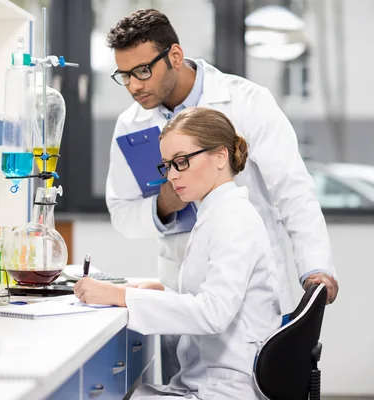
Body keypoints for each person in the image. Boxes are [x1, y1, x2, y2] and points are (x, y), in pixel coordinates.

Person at [104, 8, 338, 381]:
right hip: (180, 286)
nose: (133, 86)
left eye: (142, 71)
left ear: (175, 57)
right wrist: (166, 203)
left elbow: (293, 189)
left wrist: (315, 268)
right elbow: (121, 212)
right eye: (124, 75)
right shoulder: (130, 125)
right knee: (186, 379)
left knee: (238, 377)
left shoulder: (246, 101)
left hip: (246, 291)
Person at [75, 107, 282, 399]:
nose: (171, 176)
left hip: (227, 389)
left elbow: (213, 314)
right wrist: (160, 290)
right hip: (207, 380)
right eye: (167, 165)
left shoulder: (233, 218)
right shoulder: (215, 212)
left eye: (181, 162)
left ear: (221, 156)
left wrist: (118, 296)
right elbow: (211, 294)